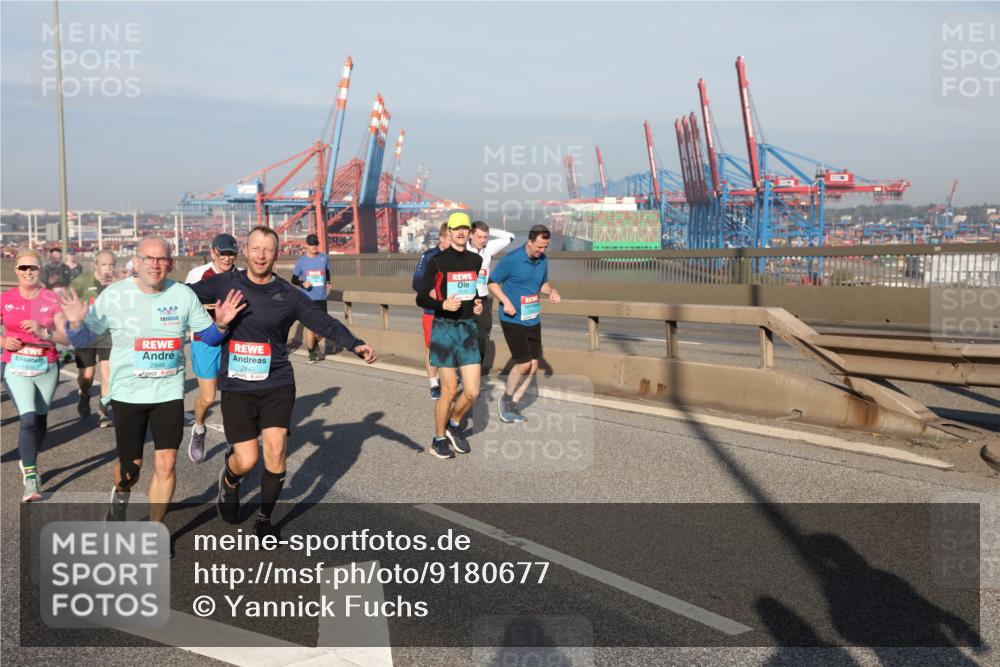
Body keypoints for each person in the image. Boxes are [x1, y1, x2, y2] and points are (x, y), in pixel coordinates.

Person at [190, 226, 376, 538]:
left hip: (276, 382)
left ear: (277, 255)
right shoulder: (225, 283)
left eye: (268, 250)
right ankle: (230, 480)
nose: (261, 255)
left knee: (275, 452)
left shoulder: (289, 295)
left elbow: (323, 322)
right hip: (237, 386)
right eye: (256, 248)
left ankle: (264, 519)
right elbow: (181, 295)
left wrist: (355, 343)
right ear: (246, 251)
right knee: (247, 459)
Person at [61, 236, 244, 524]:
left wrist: (221, 324)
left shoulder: (182, 294)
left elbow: (208, 336)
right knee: (129, 470)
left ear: (170, 263)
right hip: (128, 393)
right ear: (136, 262)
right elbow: (85, 340)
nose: (155, 265)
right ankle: (121, 495)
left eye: (161, 259)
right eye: (149, 258)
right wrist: (74, 323)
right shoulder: (114, 295)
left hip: (168, 392)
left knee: (168, 462)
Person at [1, 248, 70, 501]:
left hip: (46, 366)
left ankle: (29, 458)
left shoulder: (51, 299)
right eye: (23, 268)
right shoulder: (6, 298)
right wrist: (2, 341)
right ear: (16, 271)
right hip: (15, 366)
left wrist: (43, 332)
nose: (28, 272)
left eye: (33, 268)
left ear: (40, 270)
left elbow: (65, 337)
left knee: (40, 420)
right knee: (28, 419)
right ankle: (31, 479)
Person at [415, 212, 483, 459]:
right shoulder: (437, 261)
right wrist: (442, 304)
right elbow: (420, 296)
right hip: (444, 328)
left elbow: (475, 292)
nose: (461, 232)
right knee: (450, 389)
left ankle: (454, 425)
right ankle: (438, 439)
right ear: (449, 232)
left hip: (467, 329)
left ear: (469, 232)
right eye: (457, 229)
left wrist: (477, 304)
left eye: (465, 228)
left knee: (473, 391)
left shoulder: (476, 260)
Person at [488, 224, 560, 423]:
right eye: (539, 247)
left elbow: (543, 284)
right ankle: (506, 400)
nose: (542, 251)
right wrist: (506, 301)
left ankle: (514, 404)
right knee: (524, 363)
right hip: (512, 318)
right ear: (529, 242)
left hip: (532, 318)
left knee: (534, 365)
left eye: (545, 247)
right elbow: (492, 282)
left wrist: (552, 291)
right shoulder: (511, 260)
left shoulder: (543, 260)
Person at [184, 233, 240, 463]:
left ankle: (233, 439)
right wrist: (202, 306)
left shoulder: (241, 276)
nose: (227, 259)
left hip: (233, 340)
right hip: (205, 339)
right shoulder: (198, 275)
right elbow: (184, 303)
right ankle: (198, 429)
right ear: (213, 252)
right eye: (223, 254)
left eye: (231, 254)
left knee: (233, 396)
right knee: (207, 398)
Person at [68, 249, 118, 427]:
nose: (108, 269)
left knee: (108, 372)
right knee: (87, 375)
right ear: (95, 265)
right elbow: (67, 300)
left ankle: (103, 411)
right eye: (104, 264)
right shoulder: (83, 280)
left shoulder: (119, 283)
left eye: (111, 264)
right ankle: (84, 394)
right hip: (86, 333)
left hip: (108, 333)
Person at [469, 220, 515, 373]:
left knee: (482, 337)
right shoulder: (462, 249)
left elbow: (510, 237)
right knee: (463, 336)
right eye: (479, 237)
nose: (482, 240)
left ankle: (476, 372)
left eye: (485, 237)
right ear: (471, 235)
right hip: (465, 298)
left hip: (482, 298)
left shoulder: (488, 248)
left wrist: (490, 230)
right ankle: (461, 370)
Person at [412, 222, 450, 399]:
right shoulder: (428, 256)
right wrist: (430, 290)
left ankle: (450, 381)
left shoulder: (458, 257)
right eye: (450, 238)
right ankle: (434, 383)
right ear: (442, 238)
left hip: (452, 311)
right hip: (432, 311)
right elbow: (416, 283)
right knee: (432, 348)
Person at [291, 234, 333, 363]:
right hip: (307, 297)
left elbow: (327, 272)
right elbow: (293, 279)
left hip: (321, 297)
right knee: (310, 326)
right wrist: (302, 283)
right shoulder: (301, 261)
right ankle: (311, 353)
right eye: (312, 244)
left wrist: (328, 283)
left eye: (316, 244)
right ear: (307, 246)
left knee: (325, 327)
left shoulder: (324, 257)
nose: (314, 247)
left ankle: (313, 347)